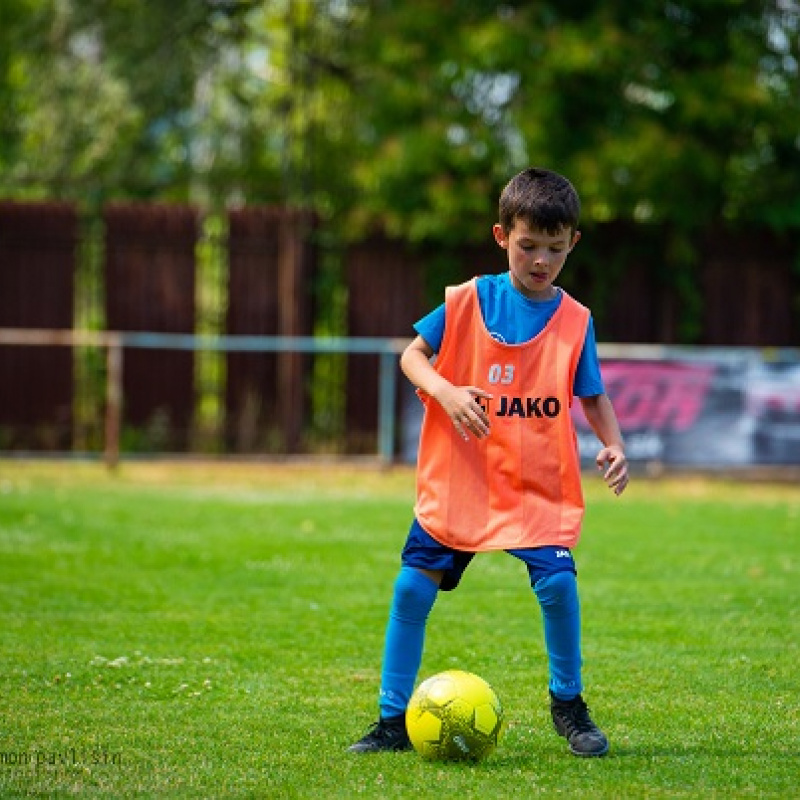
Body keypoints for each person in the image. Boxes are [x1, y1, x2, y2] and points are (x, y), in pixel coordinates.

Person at [348, 167, 629, 758]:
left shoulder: (576, 321)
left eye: (555, 249)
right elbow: (412, 357)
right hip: (464, 479)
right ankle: (391, 720)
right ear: (502, 236)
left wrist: (614, 444)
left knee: (558, 585)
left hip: (534, 485)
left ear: (572, 244)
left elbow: (593, 393)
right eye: (529, 246)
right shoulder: (468, 300)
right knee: (410, 590)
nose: (540, 261)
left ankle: (569, 705)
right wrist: (447, 393)